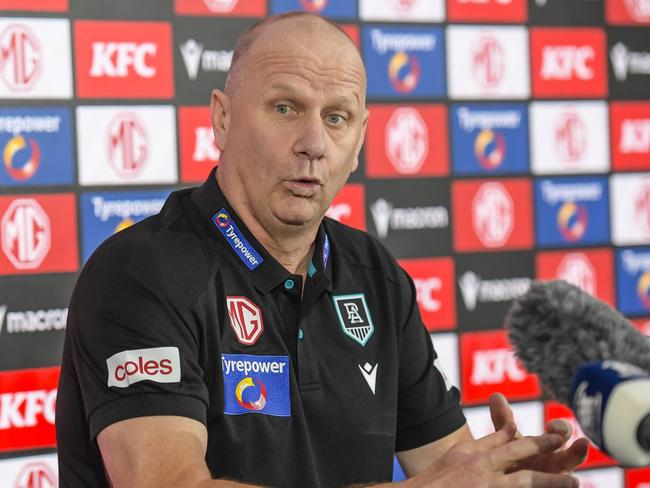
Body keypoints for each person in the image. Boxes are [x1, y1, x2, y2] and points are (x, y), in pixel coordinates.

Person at [56, 12, 588, 488]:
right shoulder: (140, 272)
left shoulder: (374, 273)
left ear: (358, 141)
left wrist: (504, 478)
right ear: (222, 119)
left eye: (336, 118)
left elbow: (447, 467)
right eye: (285, 108)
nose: (313, 143)